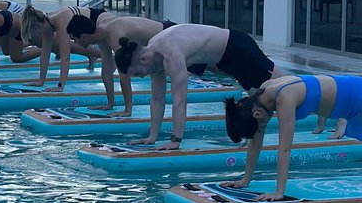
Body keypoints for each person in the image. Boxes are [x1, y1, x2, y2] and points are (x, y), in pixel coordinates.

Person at [113, 23, 285, 150]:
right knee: (258, 93)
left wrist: (176, 140)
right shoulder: (153, 55)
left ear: (143, 59)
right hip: (225, 59)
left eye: (137, 73)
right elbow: (157, 98)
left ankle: (309, 98)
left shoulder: (171, 54)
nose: (141, 76)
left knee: (278, 87)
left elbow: (179, 101)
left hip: (238, 47)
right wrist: (152, 137)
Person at [220, 73, 362, 200]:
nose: (262, 129)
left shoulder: (284, 99)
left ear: (256, 114)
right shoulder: (263, 93)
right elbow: (255, 143)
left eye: (260, 126)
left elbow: (284, 149)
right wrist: (245, 180)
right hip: (351, 94)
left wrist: (279, 192)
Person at [66, 11, 169, 116]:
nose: (74, 43)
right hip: (160, 37)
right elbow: (106, 72)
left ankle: (128, 108)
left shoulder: (115, 35)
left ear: (83, 36)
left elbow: (124, 74)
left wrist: (127, 110)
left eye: (74, 39)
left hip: (167, 32)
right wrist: (110, 104)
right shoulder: (101, 34)